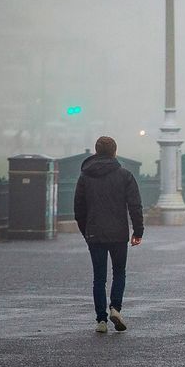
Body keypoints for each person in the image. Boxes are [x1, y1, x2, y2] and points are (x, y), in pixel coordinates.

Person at [73, 136, 143, 334]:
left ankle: (101, 320)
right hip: (118, 233)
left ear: (96, 151)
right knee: (119, 272)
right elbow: (135, 206)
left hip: (94, 233)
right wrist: (138, 231)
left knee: (99, 278)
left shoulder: (85, 177)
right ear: (114, 152)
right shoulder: (125, 175)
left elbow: (79, 208)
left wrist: (86, 231)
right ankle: (115, 308)